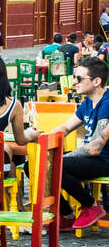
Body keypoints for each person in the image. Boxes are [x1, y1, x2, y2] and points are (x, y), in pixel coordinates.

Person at [43, 57, 109, 230]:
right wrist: (45, 139)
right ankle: (66, 215)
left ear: (96, 81)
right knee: (32, 165)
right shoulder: (88, 102)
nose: (74, 82)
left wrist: (59, 157)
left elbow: (95, 147)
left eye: (79, 79)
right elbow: (65, 127)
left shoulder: (107, 104)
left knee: (58, 165)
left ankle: (91, 205)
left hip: (104, 160)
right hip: (90, 158)